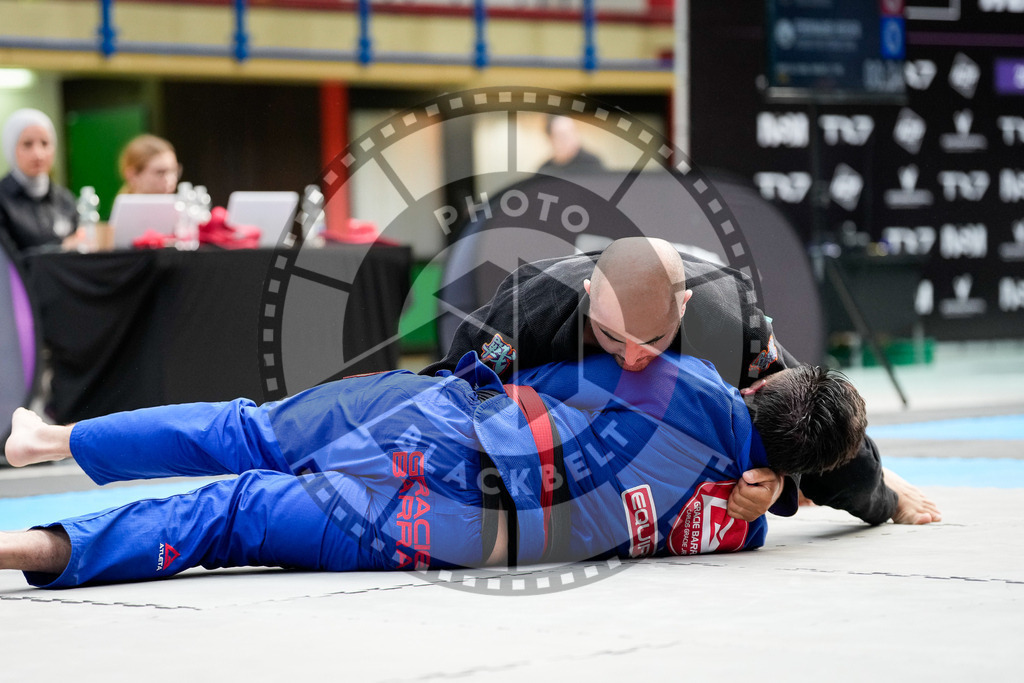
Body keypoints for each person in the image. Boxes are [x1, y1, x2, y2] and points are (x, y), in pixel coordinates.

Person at [1, 349, 865, 588]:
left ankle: (56, 440)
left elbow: (548, 369)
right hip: (452, 537)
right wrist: (781, 492)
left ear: (771, 383)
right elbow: (761, 486)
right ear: (795, 470)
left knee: (247, 432)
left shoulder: (678, 380)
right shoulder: (738, 526)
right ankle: (25, 550)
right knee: (231, 514)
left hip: (444, 429)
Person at [423, 237, 942, 527]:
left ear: (684, 307)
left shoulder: (726, 319)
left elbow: (798, 419)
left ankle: (886, 489)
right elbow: (446, 393)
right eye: (610, 336)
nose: (630, 358)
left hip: (709, 340)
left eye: (649, 341)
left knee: (832, 442)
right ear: (587, 295)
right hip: (561, 414)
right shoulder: (527, 310)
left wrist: (779, 483)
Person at [0, 108, 79, 254]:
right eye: (27, 144)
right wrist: (60, 250)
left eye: (45, 143)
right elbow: (8, 261)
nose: (38, 154)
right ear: (10, 148)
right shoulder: (3, 200)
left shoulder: (65, 200)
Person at [536, 115, 605, 176]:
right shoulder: (545, 170)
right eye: (563, 135)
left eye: (573, 132)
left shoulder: (591, 164)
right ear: (551, 139)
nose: (571, 138)